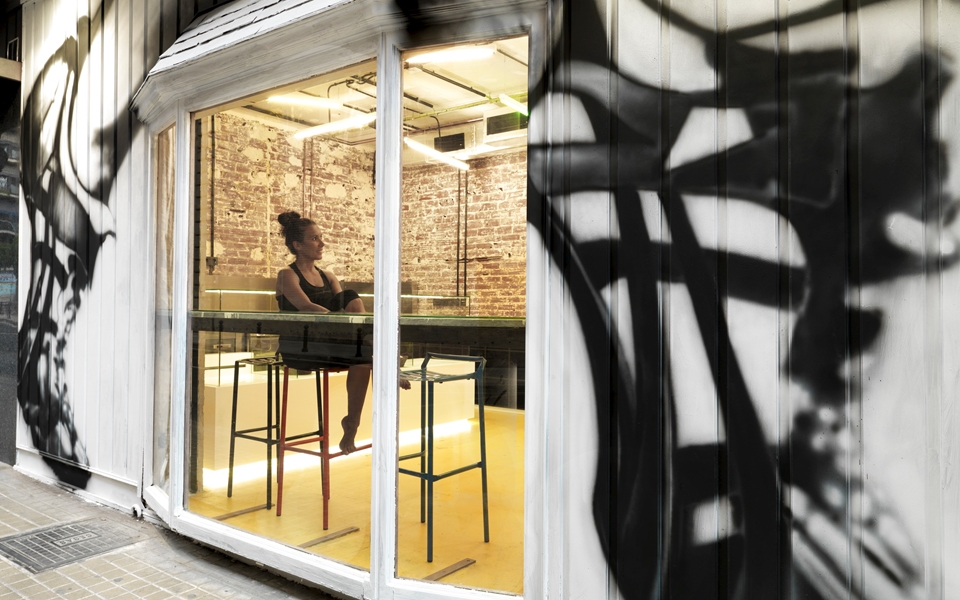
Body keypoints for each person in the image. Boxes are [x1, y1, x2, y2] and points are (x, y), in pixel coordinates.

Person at [275, 211, 371, 454]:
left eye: (320, 237)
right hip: (301, 348)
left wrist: (346, 329)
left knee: (362, 353)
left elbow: (347, 306)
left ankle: (352, 422)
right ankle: (386, 361)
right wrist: (342, 326)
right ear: (297, 245)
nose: (322, 243)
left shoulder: (328, 276)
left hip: (333, 344)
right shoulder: (286, 275)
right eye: (314, 238)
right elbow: (307, 307)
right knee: (366, 353)